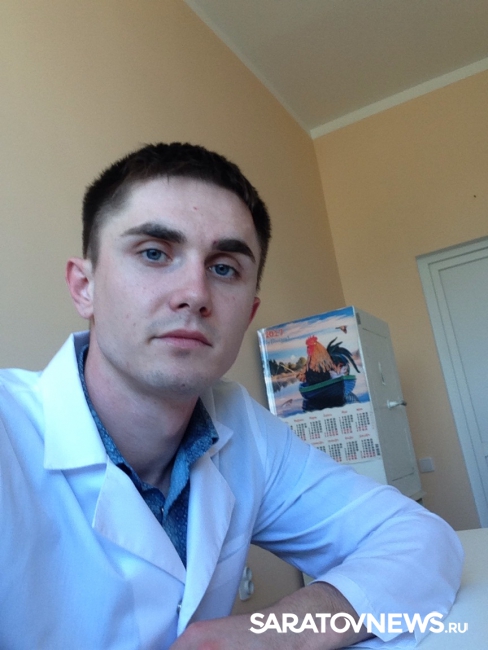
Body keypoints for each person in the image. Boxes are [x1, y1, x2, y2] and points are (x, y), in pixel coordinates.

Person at [0, 142, 462, 650]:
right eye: (154, 253)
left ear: (249, 312)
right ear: (84, 286)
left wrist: (277, 634)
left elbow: (420, 538)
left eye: (224, 268)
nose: (195, 294)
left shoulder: (243, 428)